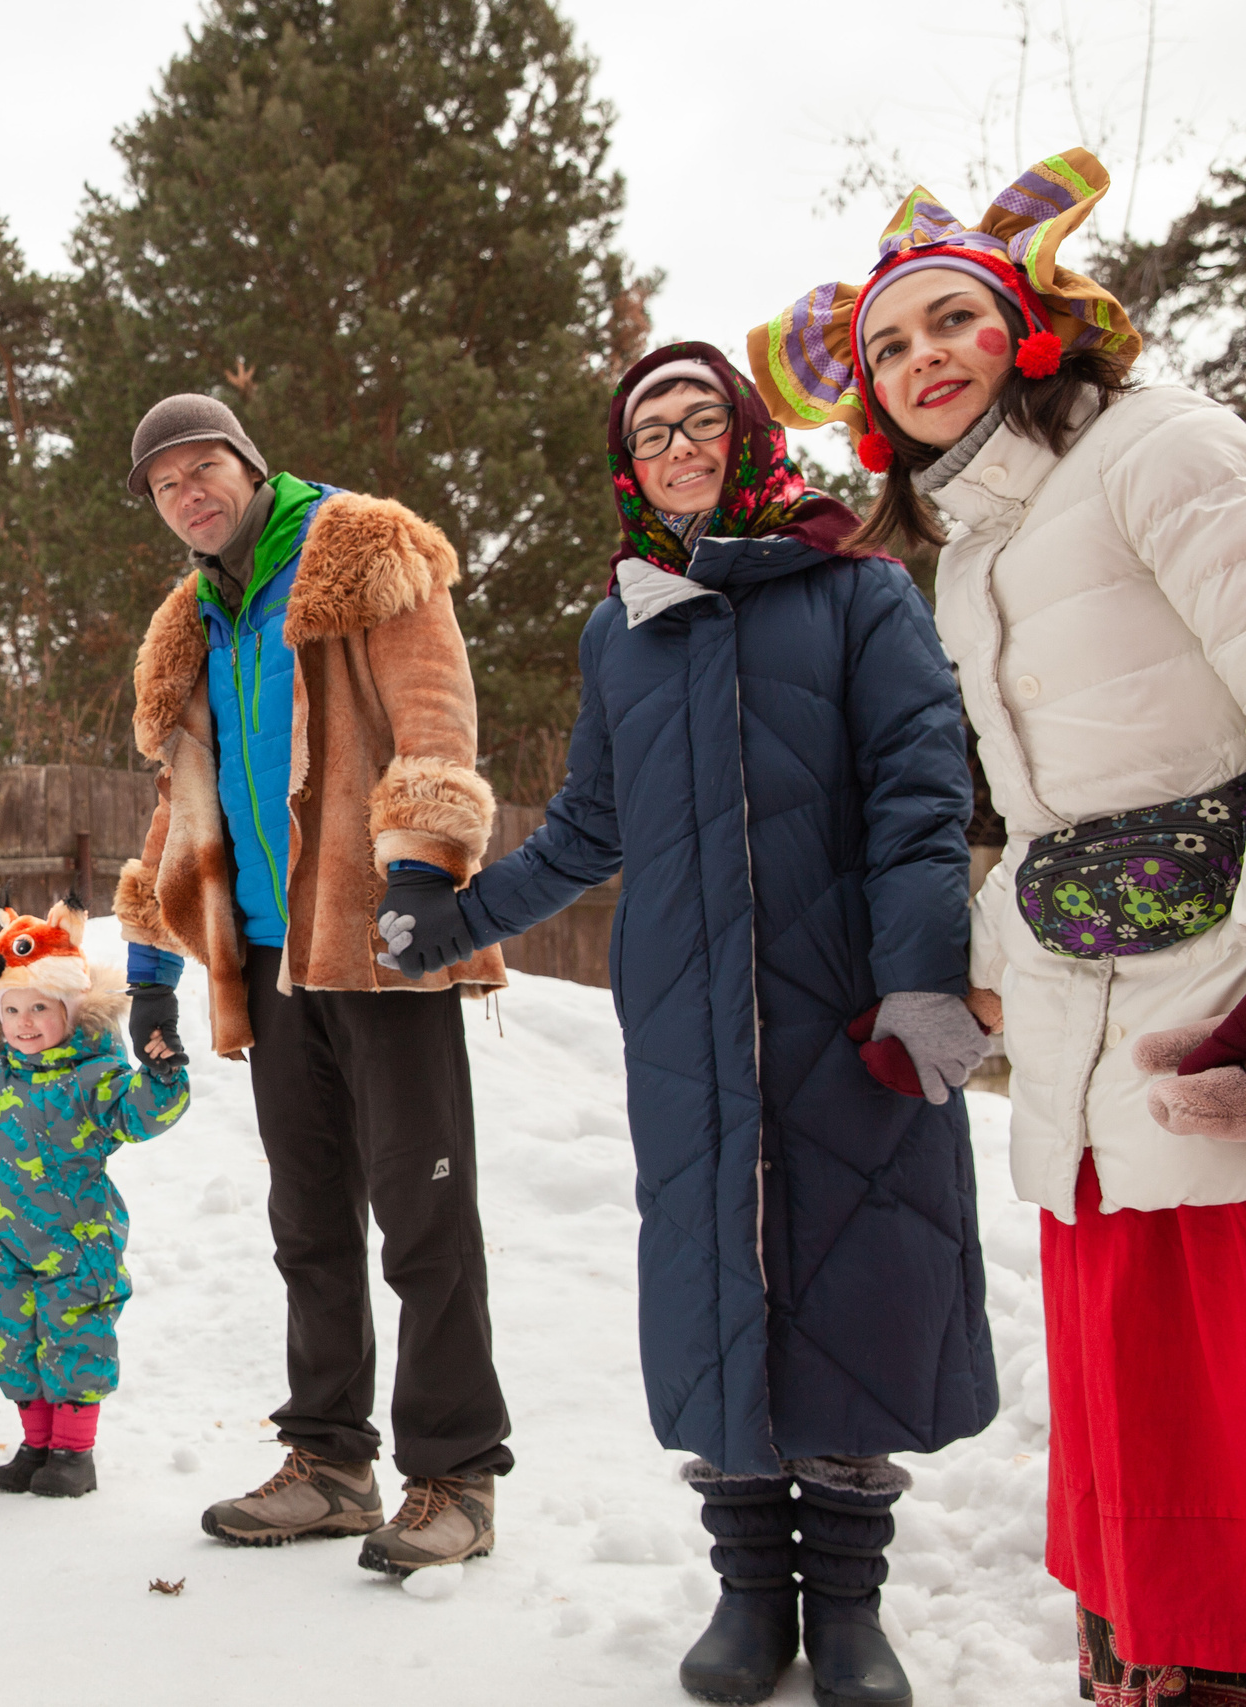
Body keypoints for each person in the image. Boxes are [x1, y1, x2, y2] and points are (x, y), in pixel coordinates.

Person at [406, 342, 999, 1706]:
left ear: (748, 435)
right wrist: (460, 914)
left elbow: (921, 797)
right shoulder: (624, 624)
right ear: (629, 463)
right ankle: (747, 1584)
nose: (678, 446)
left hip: (843, 992)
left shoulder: (861, 592)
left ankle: (848, 1599)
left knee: (858, 1270)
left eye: (700, 422)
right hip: (680, 1006)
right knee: (713, 1269)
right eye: (650, 430)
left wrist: (919, 979)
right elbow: (592, 826)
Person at [751, 147, 1246, 1706]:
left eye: (953, 320)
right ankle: (1153, 1644)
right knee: (1119, 1324)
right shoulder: (969, 552)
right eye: (891, 348)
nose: (923, 359)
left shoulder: (1165, 449)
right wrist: (960, 966)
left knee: (1219, 1313)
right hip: (1087, 969)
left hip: (1222, 955)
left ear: (1030, 327)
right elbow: (1043, 809)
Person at [113, 394, 513, 1574]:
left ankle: (455, 1474)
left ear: (248, 464)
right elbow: (176, 811)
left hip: (382, 940)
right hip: (270, 958)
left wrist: (425, 874)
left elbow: (437, 718)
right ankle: (331, 1461)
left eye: (204, 468)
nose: (190, 493)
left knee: (423, 1220)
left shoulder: (359, 550)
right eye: (166, 485)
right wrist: (149, 971)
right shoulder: (192, 622)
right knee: (309, 1226)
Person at [0, 901, 190, 1500]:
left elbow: (141, 1114)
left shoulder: (94, 1080)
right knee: (11, 1339)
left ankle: (73, 1453)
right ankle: (36, 1444)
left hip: (78, 1246)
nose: (24, 1022)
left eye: (40, 1008)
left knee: (74, 1340)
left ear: (72, 1011)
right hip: (6, 1246)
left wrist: (163, 1076)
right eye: (12, 1010)